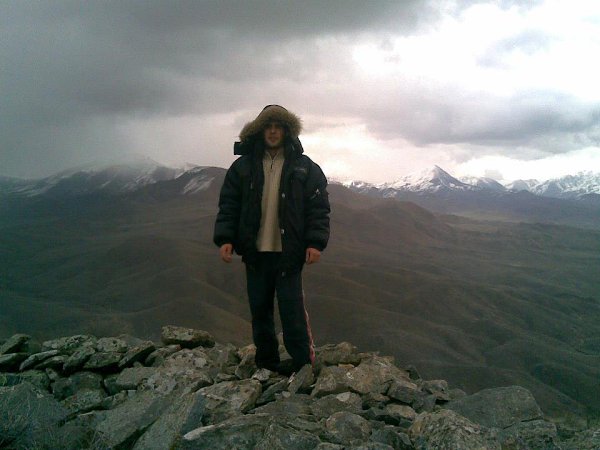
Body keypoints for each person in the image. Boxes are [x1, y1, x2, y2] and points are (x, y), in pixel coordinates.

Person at [213, 104, 330, 376]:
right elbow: (229, 205)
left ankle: (302, 366)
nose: (274, 131)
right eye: (268, 126)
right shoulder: (242, 167)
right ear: (260, 130)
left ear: (287, 131)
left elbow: (318, 209)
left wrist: (315, 243)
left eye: (279, 126)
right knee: (260, 310)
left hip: (289, 252)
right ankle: (267, 365)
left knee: (292, 312)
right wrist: (226, 238)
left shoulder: (305, 168)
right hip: (255, 252)